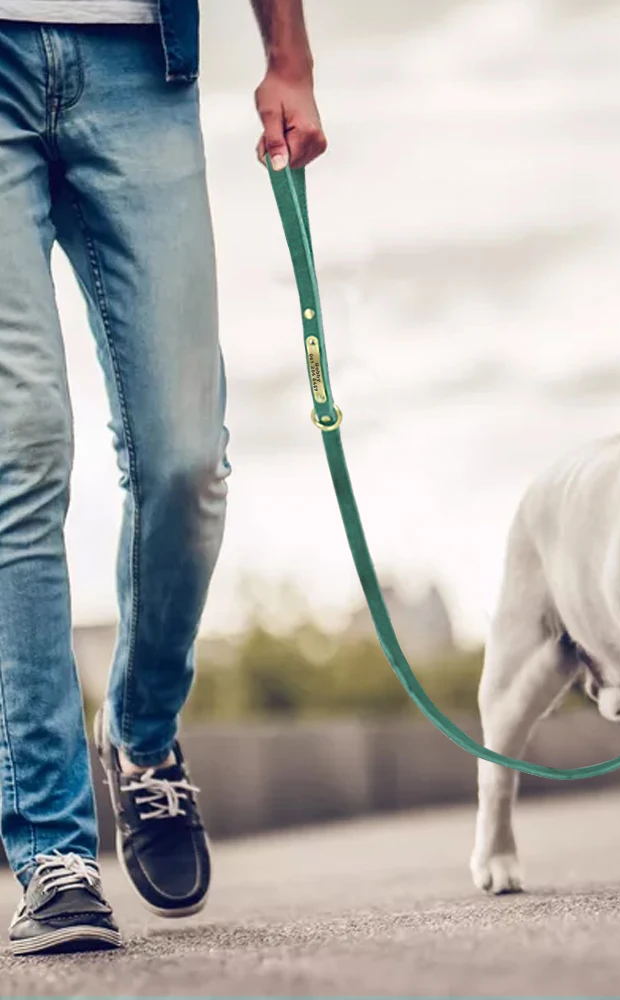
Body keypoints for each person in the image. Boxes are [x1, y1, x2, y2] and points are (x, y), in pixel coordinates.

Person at [0, 0, 326, 955]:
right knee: (19, 446)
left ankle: (141, 736)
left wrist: (288, 55)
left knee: (186, 459)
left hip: (140, 66)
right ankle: (53, 851)